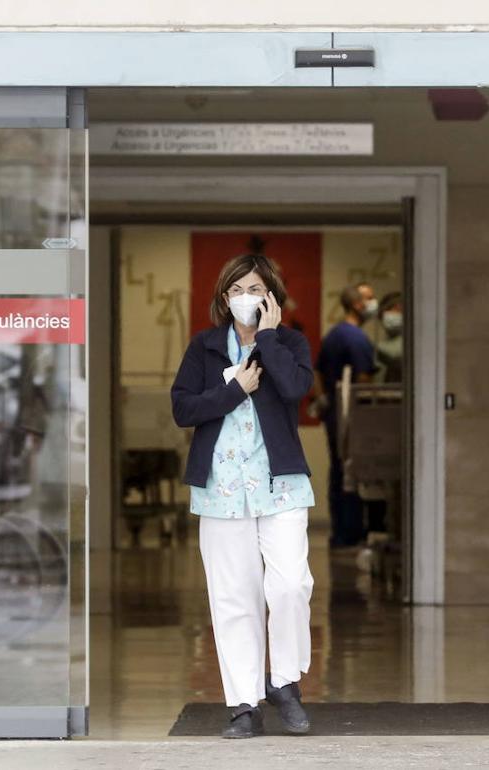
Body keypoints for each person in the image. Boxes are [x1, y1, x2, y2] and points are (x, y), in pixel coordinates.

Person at [170, 253, 316, 739]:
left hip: (281, 485)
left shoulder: (290, 342)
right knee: (235, 598)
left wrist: (269, 338)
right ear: (223, 298)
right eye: (235, 290)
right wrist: (235, 391)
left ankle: (284, 683)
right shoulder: (205, 347)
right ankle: (243, 705)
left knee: (291, 585)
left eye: (253, 289)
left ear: (271, 295)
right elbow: (183, 408)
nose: (244, 298)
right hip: (221, 489)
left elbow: (296, 388)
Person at [312, 283, 377, 548]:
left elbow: (316, 373)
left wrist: (322, 400)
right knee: (353, 472)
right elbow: (363, 381)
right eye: (370, 299)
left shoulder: (334, 335)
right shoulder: (357, 339)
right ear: (358, 305)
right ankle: (350, 532)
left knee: (339, 471)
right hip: (352, 416)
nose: (374, 304)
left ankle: (340, 531)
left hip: (335, 414)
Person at [375, 292, 404, 384]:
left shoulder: (412, 342)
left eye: (398, 309)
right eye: (388, 310)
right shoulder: (385, 343)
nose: (391, 314)